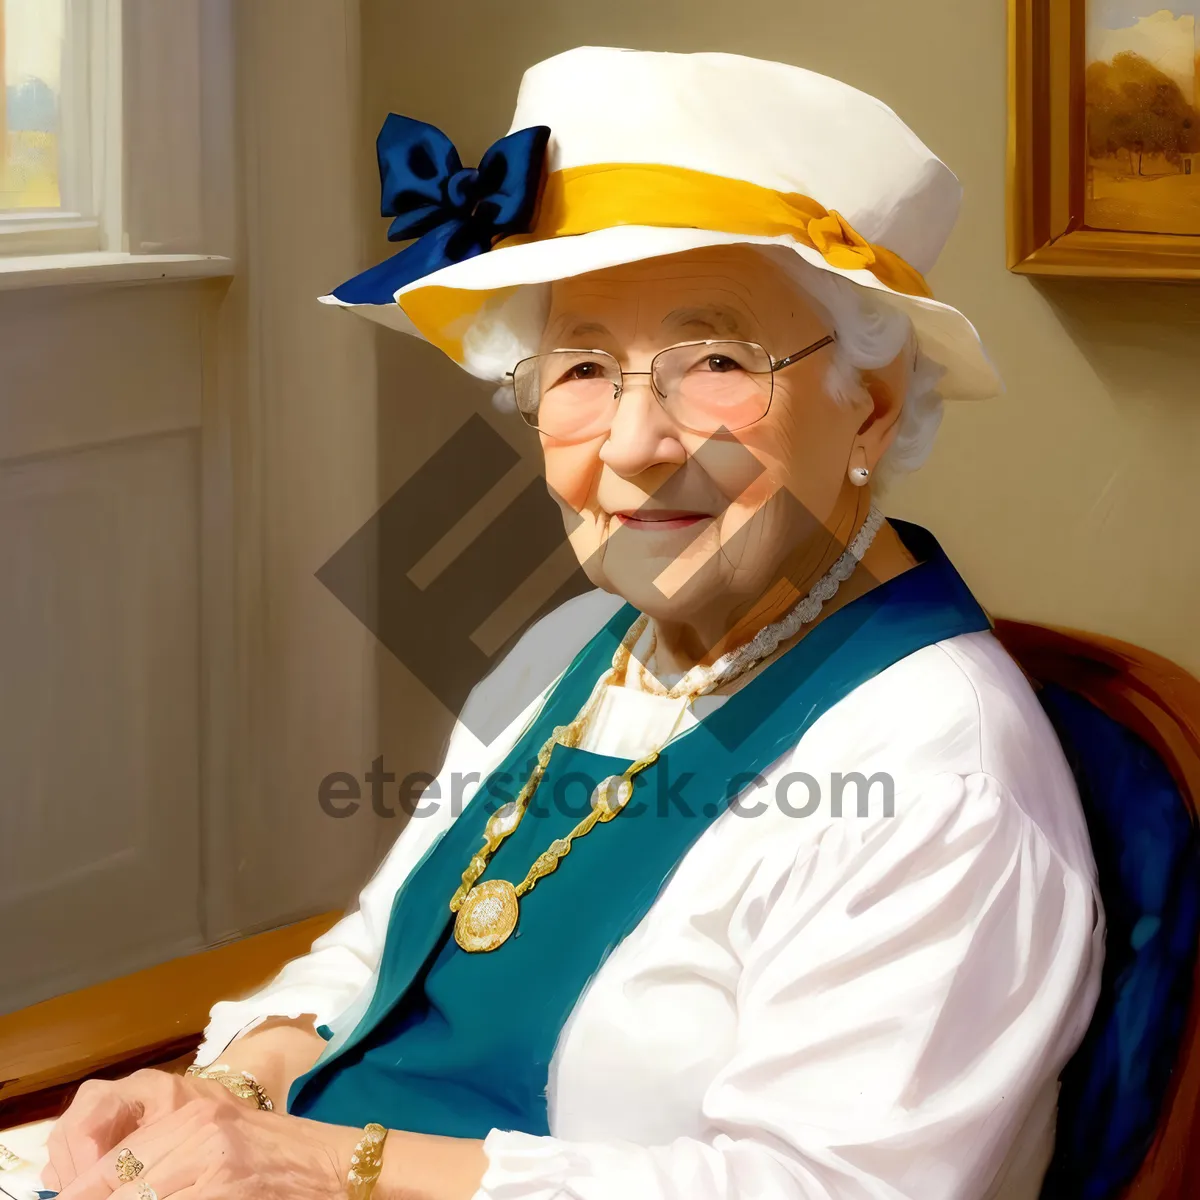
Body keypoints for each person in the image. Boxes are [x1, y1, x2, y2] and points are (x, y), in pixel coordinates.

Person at [31, 46, 1103, 1200]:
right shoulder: (572, 650)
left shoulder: (943, 778)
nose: (636, 446)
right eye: (583, 366)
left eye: (715, 363)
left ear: (870, 410)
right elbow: (386, 949)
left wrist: (311, 1159)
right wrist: (229, 1091)